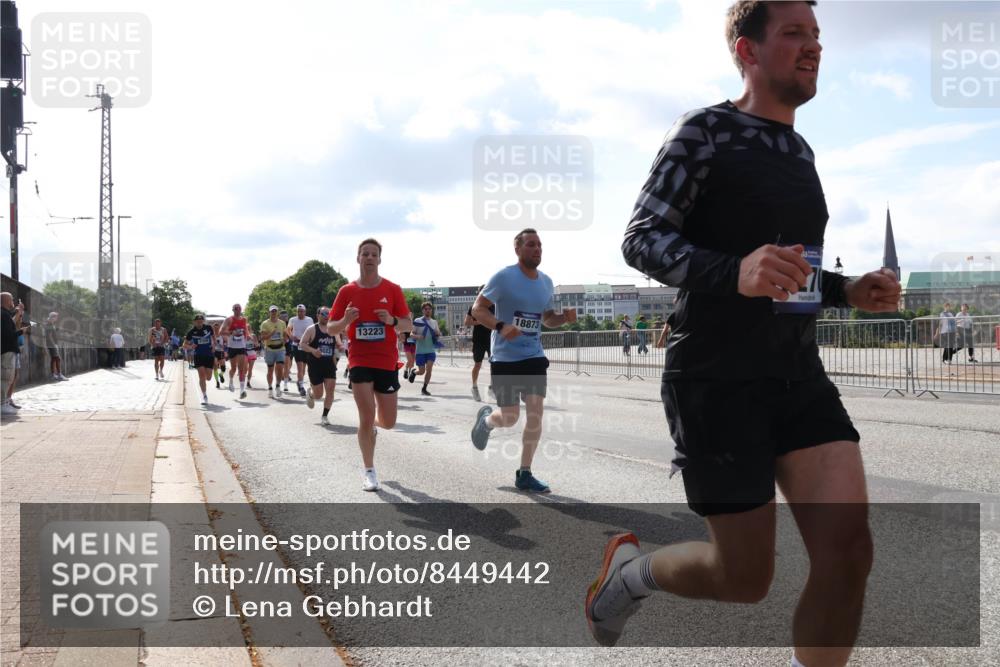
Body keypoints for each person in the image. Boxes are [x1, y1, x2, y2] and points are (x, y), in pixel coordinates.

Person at [588, 4, 902, 667]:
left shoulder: (798, 149)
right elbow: (639, 239)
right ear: (747, 50)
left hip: (798, 376)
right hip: (715, 378)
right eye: (794, 33)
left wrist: (847, 290)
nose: (813, 46)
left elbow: (793, 273)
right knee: (744, 578)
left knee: (849, 553)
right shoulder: (704, 132)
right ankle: (630, 573)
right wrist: (733, 271)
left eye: (816, 35)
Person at [469, 228, 577, 493]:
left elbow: (546, 318)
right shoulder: (504, 277)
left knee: (535, 415)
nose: (537, 249)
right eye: (531, 244)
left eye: (539, 245)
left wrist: (563, 318)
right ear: (517, 249)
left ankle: (525, 473)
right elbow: (477, 310)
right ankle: (486, 421)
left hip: (533, 356)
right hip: (505, 358)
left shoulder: (546, 282)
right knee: (510, 417)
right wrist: (500, 325)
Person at [329, 238, 412, 492]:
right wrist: (345, 320)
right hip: (360, 360)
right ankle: (369, 471)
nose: (369, 258)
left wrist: (391, 320)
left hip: (386, 361)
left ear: (379, 259)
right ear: (358, 258)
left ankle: (374, 429)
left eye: (373, 254)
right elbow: (331, 327)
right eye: (364, 253)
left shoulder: (393, 289)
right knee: (365, 417)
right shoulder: (347, 291)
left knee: (387, 422)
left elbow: (408, 324)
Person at [299, 306, 342, 425]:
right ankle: (311, 393)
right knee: (318, 395)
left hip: (329, 364)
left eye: (328, 313)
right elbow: (302, 344)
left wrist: (341, 346)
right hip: (315, 365)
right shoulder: (312, 329)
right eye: (323, 313)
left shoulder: (333, 330)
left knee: (330, 390)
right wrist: (313, 351)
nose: (326, 316)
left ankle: (325, 416)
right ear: (317, 315)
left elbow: (338, 344)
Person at [464, 287, 495, 402]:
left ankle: (492, 388)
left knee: (495, 364)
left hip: (492, 339)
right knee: (478, 364)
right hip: (478, 340)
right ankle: (474, 387)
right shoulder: (474, 307)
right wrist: (480, 321)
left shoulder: (494, 307)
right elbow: (466, 322)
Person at [409, 302, 441, 396]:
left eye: (429, 309)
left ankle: (424, 388)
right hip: (420, 350)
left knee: (429, 369)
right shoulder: (418, 321)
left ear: (431, 310)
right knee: (422, 371)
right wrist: (418, 336)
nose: (427, 310)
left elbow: (438, 333)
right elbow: (411, 334)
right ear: (423, 310)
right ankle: (414, 372)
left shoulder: (434, 322)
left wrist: (437, 334)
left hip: (431, 350)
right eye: (425, 309)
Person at [184, 314, 216, 405]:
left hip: (209, 355)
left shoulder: (209, 328)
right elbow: (184, 345)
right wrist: (190, 346)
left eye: (201, 321)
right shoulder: (191, 332)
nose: (199, 322)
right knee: (201, 376)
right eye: (197, 321)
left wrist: (214, 345)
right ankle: (204, 396)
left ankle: (204, 382)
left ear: (203, 321)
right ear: (194, 322)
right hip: (198, 355)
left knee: (208, 378)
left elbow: (214, 337)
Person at [221, 304, 250, 399]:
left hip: (241, 347)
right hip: (232, 347)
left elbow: (245, 330)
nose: (238, 310)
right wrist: (230, 332)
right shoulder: (229, 320)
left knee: (242, 368)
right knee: (234, 368)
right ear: (233, 310)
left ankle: (242, 390)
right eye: (236, 309)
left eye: (239, 309)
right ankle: (231, 381)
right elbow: (221, 332)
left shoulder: (244, 319)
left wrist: (248, 336)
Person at [260, 306, 289, 399]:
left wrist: (285, 339)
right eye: (272, 311)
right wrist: (271, 334)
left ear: (277, 313)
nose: (273, 313)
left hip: (280, 348)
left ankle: (277, 386)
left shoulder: (282, 323)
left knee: (280, 368)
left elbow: (285, 334)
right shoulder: (265, 324)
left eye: (275, 311)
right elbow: (263, 337)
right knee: (270, 370)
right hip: (269, 349)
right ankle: (269, 388)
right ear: (269, 313)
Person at [288, 304, 315, 397]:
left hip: (306, 345)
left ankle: (299, 382)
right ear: (297, 312)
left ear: (305, 311)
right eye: (298, 311)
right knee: (300, 367)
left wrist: (312, 340)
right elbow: (288, 330)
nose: (300, 313)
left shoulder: (309, 320)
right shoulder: (293, 319)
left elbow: (313, 331)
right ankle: (301, 387)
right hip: (297, 345)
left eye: (302, 311)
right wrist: (292, 337)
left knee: (304, 369)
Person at [1, 293, 21, 416]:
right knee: (5, 377)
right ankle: (2, 404)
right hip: (7, 350)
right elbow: (7, 335)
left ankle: (4, 403)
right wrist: (20, 332)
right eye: (11, 299)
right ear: (7, 301)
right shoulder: (3, 314)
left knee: (8, 377)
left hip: (8, 350)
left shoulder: (5, 314)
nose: (13, 301)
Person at [45, 312, 67, 381]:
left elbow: (51, 333)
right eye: (56, 317)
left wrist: (57, 329)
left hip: (51, 344)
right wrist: (54, 345)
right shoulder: (49, 324)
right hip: (52, 344)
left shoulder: (51, 324)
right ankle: (59, 374)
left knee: (54, 359)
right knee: (57, 358)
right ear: (52, 317)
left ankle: (53, 375)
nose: (56, 319)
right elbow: (49, 336)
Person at [212, 323, 227, 389]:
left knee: (223, 368)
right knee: (215, 366)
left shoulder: (222, 336)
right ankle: (217, 382)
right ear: (213, 328)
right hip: (214, 352)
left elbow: (226, 344)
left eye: (217, 328)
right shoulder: (211, 336)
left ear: (219, 328)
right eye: (215, 328)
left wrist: (225, 349)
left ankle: (221, 374)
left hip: (221, 352)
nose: (216, 329)